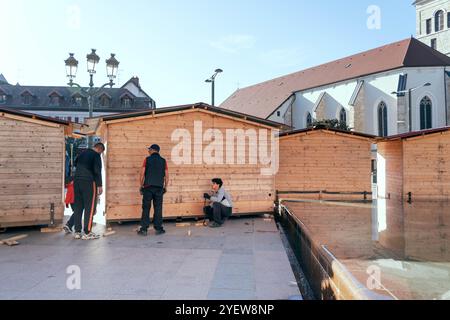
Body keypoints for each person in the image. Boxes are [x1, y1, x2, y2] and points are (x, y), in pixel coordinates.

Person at [72, 142, 105, 240]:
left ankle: (77, 232)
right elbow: (97, 171)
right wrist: (100, 185)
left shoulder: (82, 153)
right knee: (89, 207)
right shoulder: (96, 156)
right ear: (100, 149)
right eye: (101, 152)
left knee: (78, 207)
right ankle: (87, 232)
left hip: (77, 181)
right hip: (88, 182)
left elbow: (75, 163)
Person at [137, 144, 169, 236]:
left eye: (149, 149)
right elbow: (167, 175)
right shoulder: (163, 161)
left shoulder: (147, 160)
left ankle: (144, 229)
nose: (148, 151)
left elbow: (142, 174)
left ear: (152, 150)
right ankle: (159, 228)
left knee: (146, 208)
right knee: (158, 208)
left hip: (148, 187)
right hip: (159, 187)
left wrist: (141, 185)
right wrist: (165, 186)